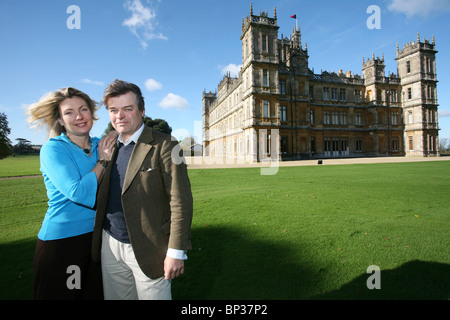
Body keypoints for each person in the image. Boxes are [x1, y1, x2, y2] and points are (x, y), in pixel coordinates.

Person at [91, 79, 193, 300]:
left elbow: (180, 200)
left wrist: (176, 251)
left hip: (150, 246)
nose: (120, 116)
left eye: (128, 109)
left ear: (142, 110)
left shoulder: (166, 144)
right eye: (113, 110)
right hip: (110, 243)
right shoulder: (107, 146)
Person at [26, 87, 117, 299]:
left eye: (83, 109)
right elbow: (78, 193)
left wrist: (115, 132)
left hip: (97, 240)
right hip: (65, 244)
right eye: (69, 112)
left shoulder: (100, 144)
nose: (79, 116)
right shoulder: (53, 149)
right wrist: (103, 161)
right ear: (59, 119)